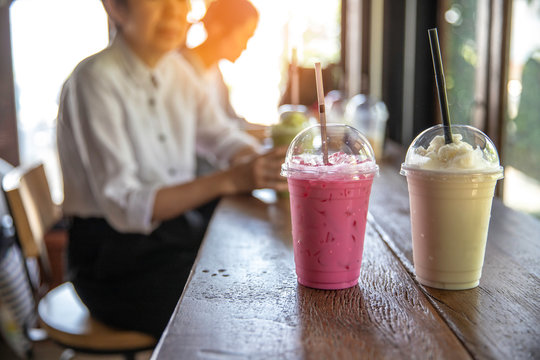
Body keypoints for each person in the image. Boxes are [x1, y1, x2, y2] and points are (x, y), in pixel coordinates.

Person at [57, 0, 287, 339]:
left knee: (258, 268)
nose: (175, 11)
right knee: (230, 310)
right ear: (117, 7)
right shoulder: (93, 81)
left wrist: (262, 161)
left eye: (181, 1)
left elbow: (222, 137)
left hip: (171, 233)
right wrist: (229, 179)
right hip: (110, 259)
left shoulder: (178, 71)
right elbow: (126, 206)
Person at [182, 0, 261, 131]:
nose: (245, 46)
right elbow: (208, 132)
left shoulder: (215, 73)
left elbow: (232, 121)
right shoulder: (180, 71)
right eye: (245, 36)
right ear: (218, 28)